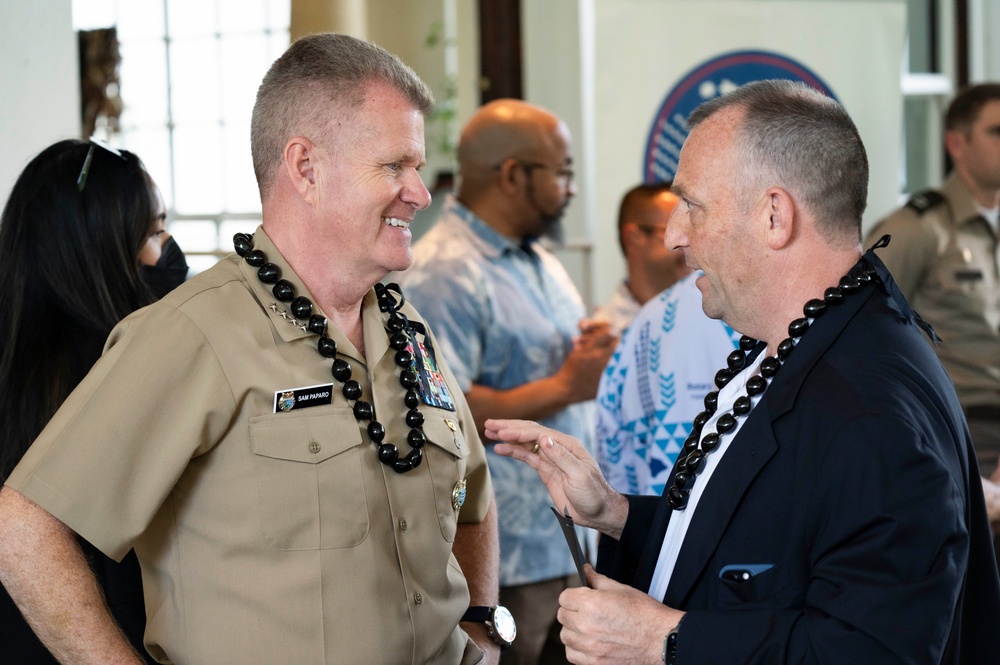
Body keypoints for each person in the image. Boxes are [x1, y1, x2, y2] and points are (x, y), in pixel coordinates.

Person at [0, 33, 501, 665]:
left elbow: (476, 501)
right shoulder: (193, 332)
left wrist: (484, 630)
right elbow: (26, 524)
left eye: (418, 167)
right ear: (306, 168)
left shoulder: (408, 332)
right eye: (394, 166)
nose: (420, 193)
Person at [487, 80, 1000, 664]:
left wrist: (663, 639)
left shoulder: (869, 406)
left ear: (775, 216)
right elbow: (771, 539)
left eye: (693, 206)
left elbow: (874, 650)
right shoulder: (807, 343)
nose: (675, 235)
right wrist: (616, 514)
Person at [398, 98, 617, 665]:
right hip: (505, 558)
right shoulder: (445, 269)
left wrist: (584, 355)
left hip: (562, 540)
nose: (570, 187)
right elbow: (443, 414)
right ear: (514, 174)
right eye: (562, 170)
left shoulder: (535, 258)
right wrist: (570, 383)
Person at [0, 138, 184, 664]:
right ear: (97, 251)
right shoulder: (116, 377)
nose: (169, 251)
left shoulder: (23, 365)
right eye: (152, 232)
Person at [865, 82, 1000, 531]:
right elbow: (860, 322)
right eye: (997, 131)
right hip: (956, 430)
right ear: (956, 143)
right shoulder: (918, 228)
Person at [595, 271, 740, 496]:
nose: (672, 240)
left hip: (651, 517)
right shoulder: (783, 315)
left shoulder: (649, 319)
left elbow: (612, 443)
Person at [593, 183, 690, 334]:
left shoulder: (713, 317)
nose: (688, 244)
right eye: (676, 231)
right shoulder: (605, 339)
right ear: (634, 238)